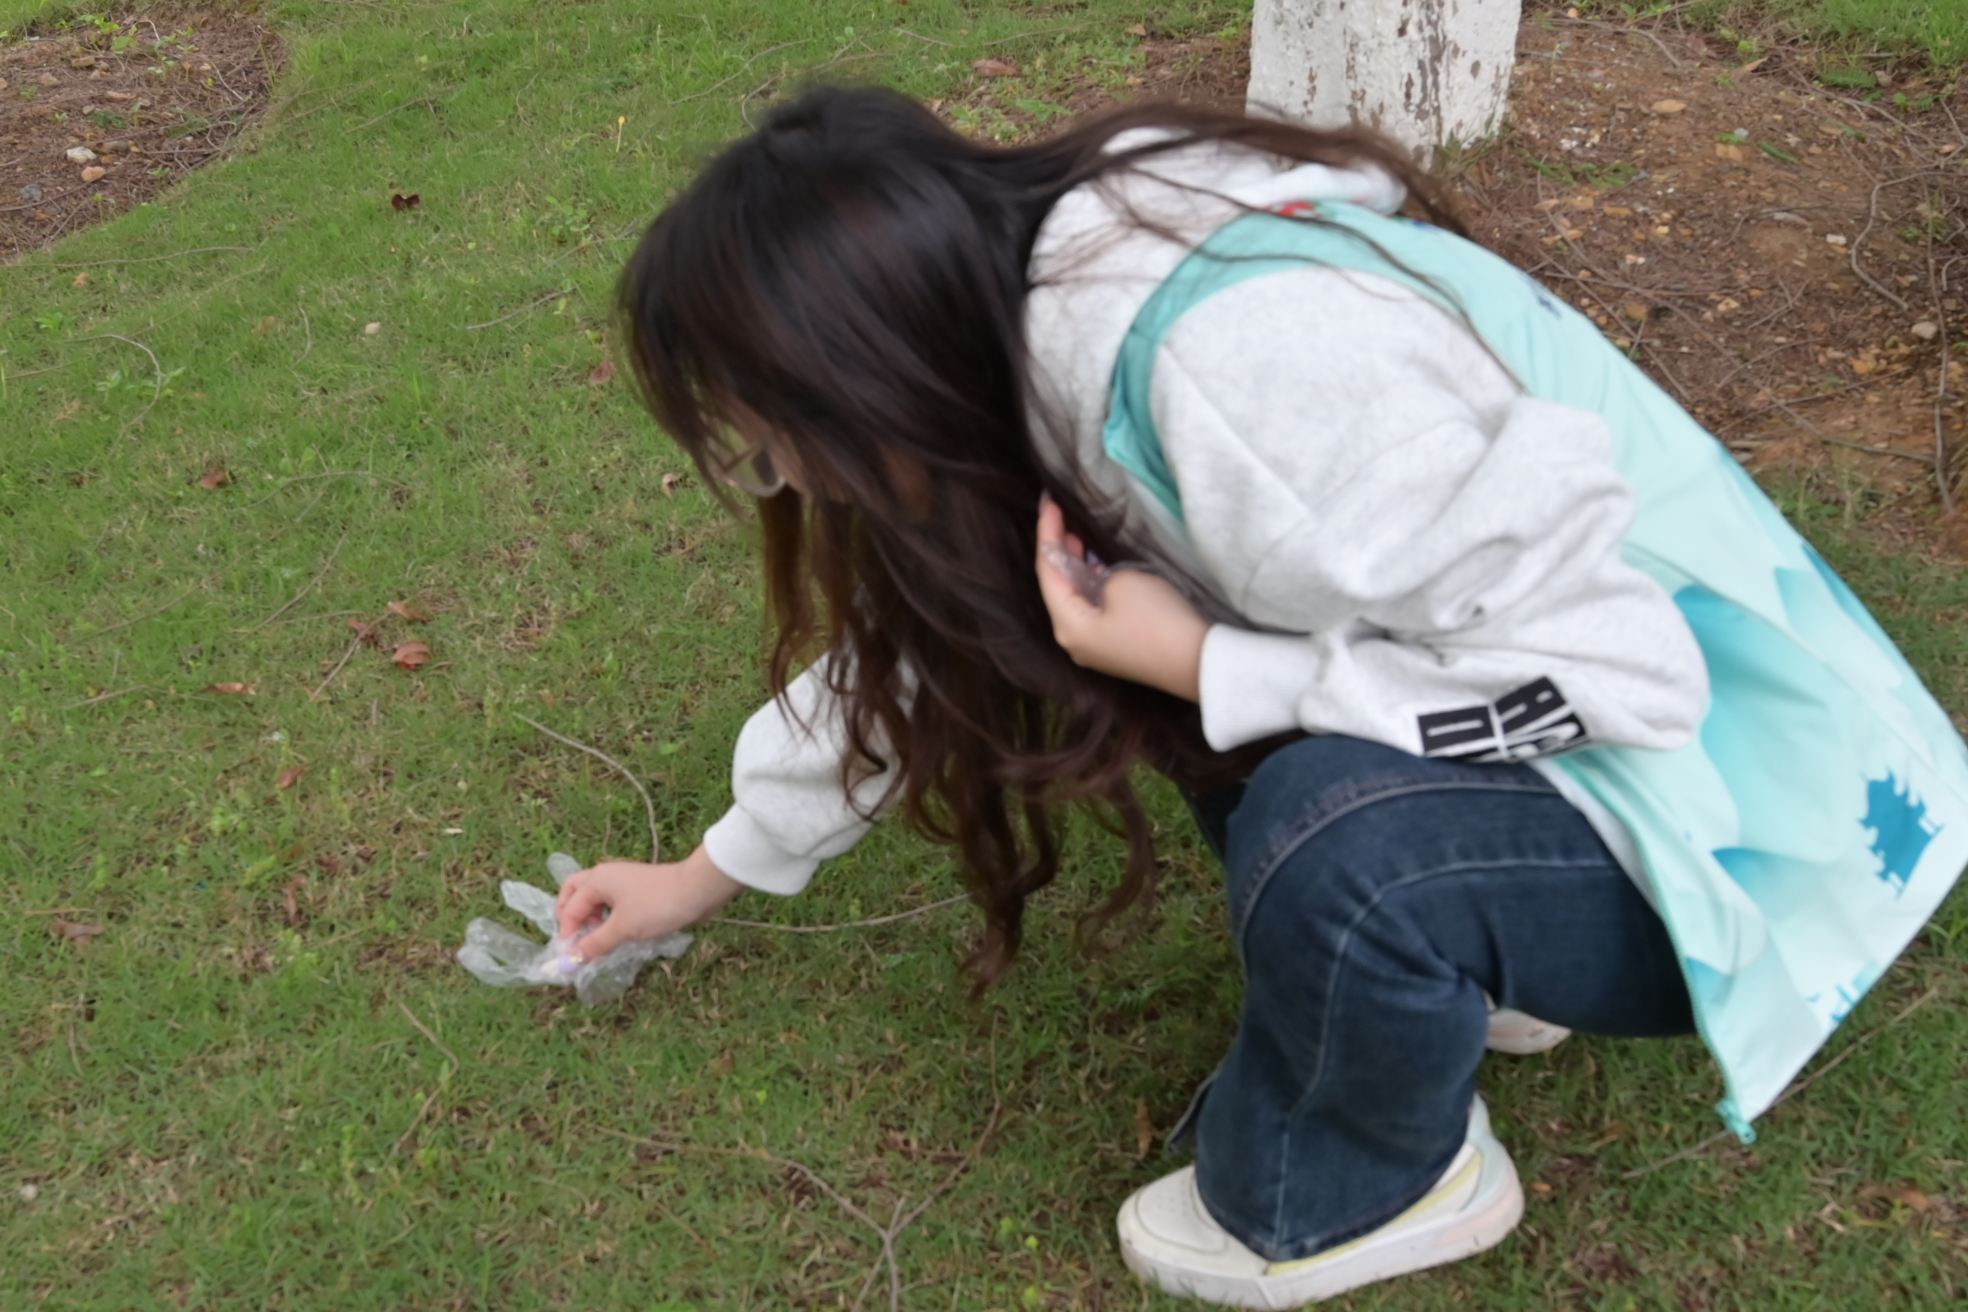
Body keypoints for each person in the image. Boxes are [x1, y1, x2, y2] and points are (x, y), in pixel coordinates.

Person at [554, 86, 1968, 1307]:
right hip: (1635, 774)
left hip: (1760, 843)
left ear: (869, 366)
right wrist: (710, 870)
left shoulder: (1232, 374)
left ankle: (1359, 1189)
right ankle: (1477, 951)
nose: (798, 483)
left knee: (1319, 828)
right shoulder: (1037, 305)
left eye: (780, 440)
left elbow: (1622, 670)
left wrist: (1209, 668)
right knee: (1171, 676)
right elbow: (933, 641)